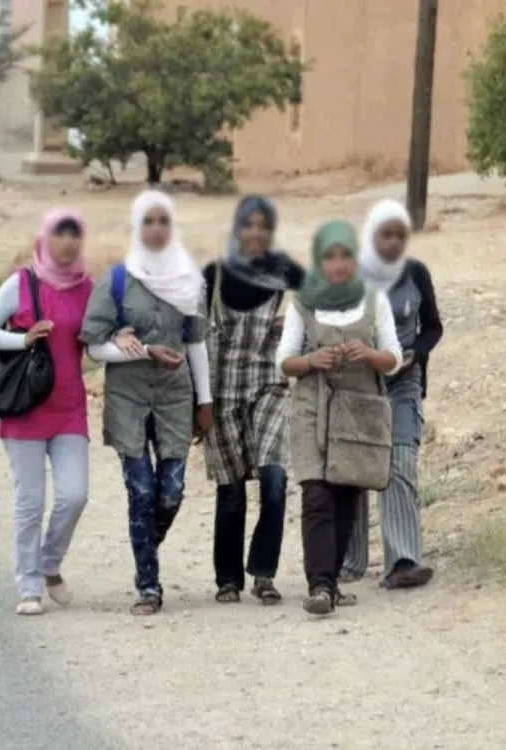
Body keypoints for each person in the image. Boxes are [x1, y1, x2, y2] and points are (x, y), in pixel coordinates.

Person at [82, 189, 213, 616]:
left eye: (163, 221)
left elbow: (196, 343)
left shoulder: (190, 280)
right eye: (148, 222)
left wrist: (205, 401)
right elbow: (94, 347)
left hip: (175, 396)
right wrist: (140, 352)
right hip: (129, 398)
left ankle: (143, 548)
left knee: (171, 492)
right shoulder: (118, 281)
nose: (156, 229)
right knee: (140, 490)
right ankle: (149, 585)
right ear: (137, 228)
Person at [277, 220, 403, 616]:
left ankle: (329, 583)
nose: (337, 263)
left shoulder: (374, 300)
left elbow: (394, 358)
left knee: (347, 496)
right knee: (316, 494)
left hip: (357, 409)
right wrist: (312, 360)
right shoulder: (303, 302)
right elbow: (284, 361)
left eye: (345, 255)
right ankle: (320, 585)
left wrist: (369, 354)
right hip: (312, 407)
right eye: (329, 256)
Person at [0, 208, 94, 616]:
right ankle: (29, 586)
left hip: (69, 408)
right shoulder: (22, 283)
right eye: (60, 233)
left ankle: (49, 564)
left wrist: (124, 338)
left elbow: (96, 340)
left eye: (74, 233)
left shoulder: (87, 287)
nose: (67, 241)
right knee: (30, 503)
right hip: (25, 408)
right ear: (45, 238)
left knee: (74, 495)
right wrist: (23, 340)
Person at [202, 195, 304, 606]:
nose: (256, 233)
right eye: (249, 225)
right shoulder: (214, 272)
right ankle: (228, 579)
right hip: (222, 390)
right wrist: (196, 400)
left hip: (269, 385)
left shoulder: (285, 271)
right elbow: (191, 333)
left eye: (264, 226)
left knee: (274, 478)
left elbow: (323, 300)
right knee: (230, 490)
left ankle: (264, 572)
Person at [340, 199, 444, 590]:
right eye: (386, 234)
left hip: (404, 382)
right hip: (360, 384)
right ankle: (349, 561)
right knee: (356, 471)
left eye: (401, 235)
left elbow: (433, 327)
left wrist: (415, 352)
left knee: (400, 463)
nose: (394, 242)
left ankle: (402, 561)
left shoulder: (416, 273)